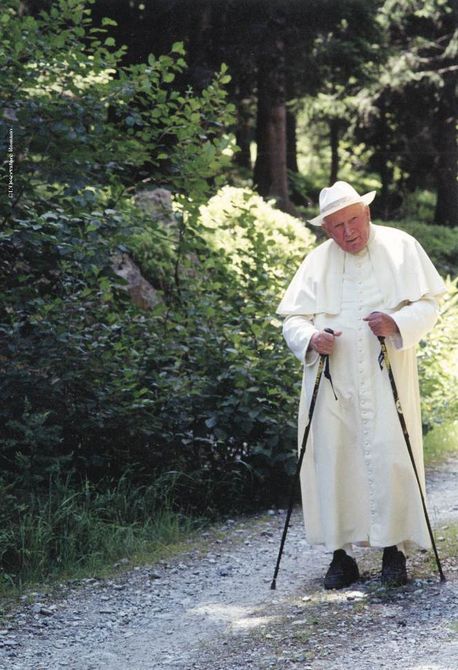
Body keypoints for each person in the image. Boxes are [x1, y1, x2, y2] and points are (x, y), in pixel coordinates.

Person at [276, 181, 446, 589]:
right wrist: (311, 339)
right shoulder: (316, 263)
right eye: (336, 226)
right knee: (334, 461)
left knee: (390, 458)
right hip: (333, 385)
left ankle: (393, 553)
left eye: (353, 220)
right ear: (326, 230)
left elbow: (429, 305)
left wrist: (397, 323)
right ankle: (341, 557)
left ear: (366, 214)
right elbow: (292, 320)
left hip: (385, 377)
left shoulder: (401, 247)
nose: (348, 232)